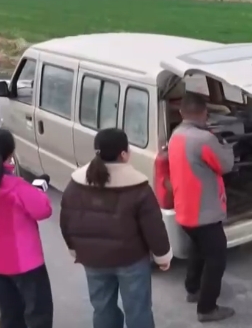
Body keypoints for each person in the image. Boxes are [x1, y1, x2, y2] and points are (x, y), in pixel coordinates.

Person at [59, 128, 172, 328]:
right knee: (138, 310)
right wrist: (162, 255)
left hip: (92, 260)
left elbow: (66, 219)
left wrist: (74, 248)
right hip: (131, 261)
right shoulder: (138, 186)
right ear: (123, 154)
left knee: (102, 307)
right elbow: (153, 226)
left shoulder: (77, 183)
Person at [0, 128, 54, 328]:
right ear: (10, 154)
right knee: (37, 314)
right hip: (25, 262)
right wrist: (36, 191)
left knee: (9, 314)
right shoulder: (17, 186)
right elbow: (43, 210)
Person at [168, 93, 236, 322]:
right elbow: (226, 165)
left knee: (198, 249)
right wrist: (224, 142)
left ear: (181, 113)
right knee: (217, 257)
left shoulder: (176, 135)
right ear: (205, 112)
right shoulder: (204, 139)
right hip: (204, 211)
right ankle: (207, 308)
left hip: (184, 208)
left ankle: (193, 289)